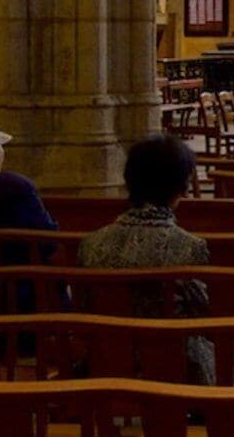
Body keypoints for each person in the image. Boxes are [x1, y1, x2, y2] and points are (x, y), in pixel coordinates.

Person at [80, 135, 216, 383]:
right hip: (175, 370)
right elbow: (203, 313)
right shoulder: (188, 246)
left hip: (106, 364)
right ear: (181, 188)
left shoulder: (92, 243)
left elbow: (85, 305)